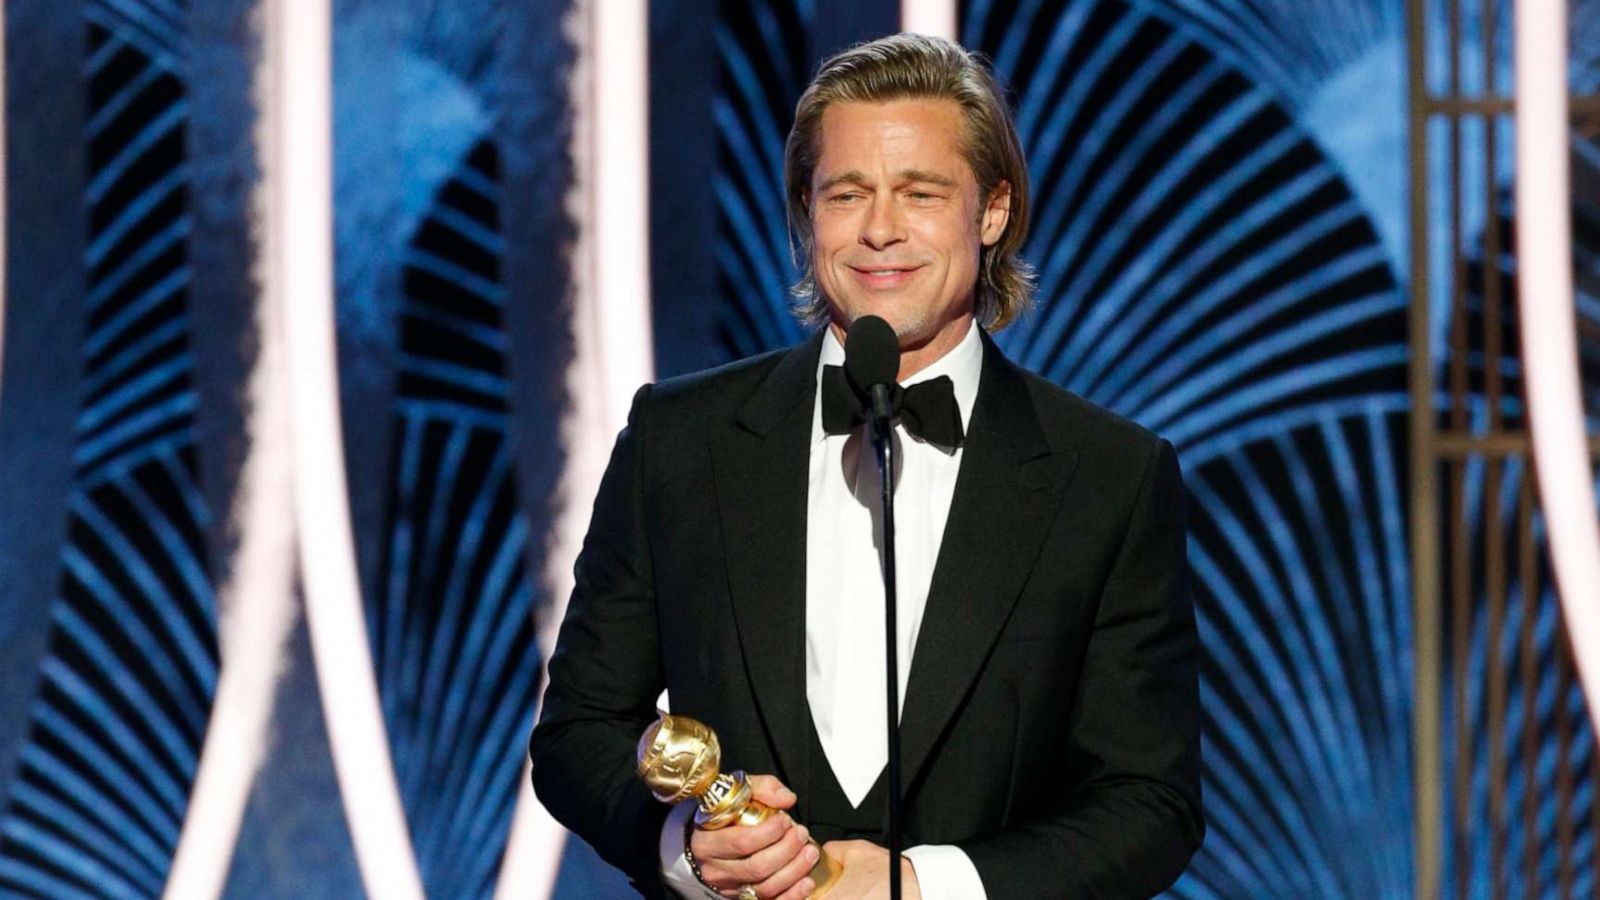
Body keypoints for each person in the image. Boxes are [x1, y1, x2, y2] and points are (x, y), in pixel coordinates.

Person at [530, 33, 1203, 900]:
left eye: (921, 193)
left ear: (993, 211)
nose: (880, 229)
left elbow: (1150, 803)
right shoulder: (679, 441)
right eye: (847, 193)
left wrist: (929, 887)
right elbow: (579, 733)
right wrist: (687, 848)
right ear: (808, 212)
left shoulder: (1111, 477)